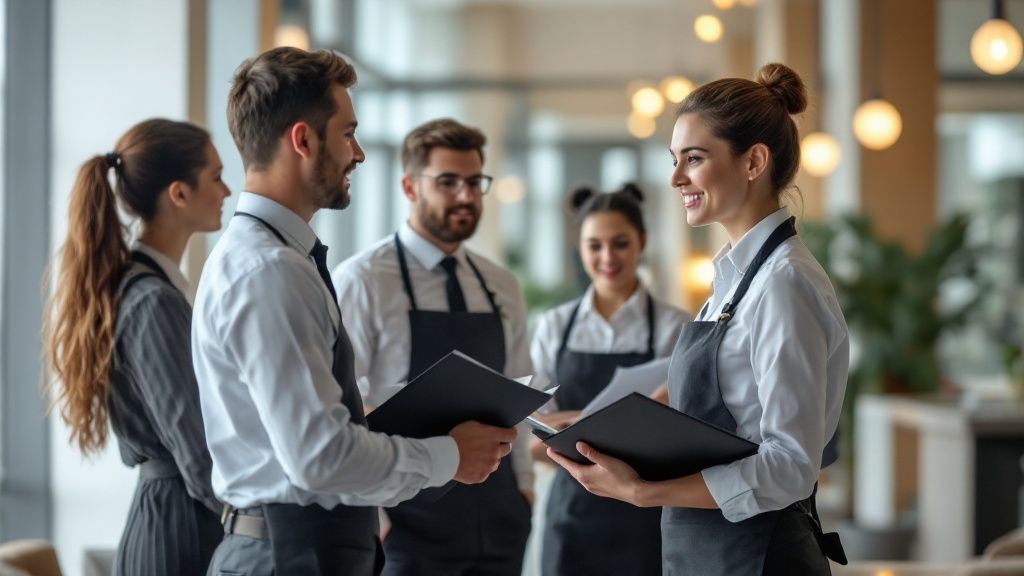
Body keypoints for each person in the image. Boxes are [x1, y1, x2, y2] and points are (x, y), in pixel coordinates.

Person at [192, 47, 516, 576]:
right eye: (347, 132)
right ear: (303, 139)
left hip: (305, 546)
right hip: (292, 554)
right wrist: (451, 456)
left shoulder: (274, 260)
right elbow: (321, 457)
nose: (359, 153)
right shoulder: (271, 271)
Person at [546, 62, 849, 575]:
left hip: (758, 555)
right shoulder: (734, 281)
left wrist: (646, 492)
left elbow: (792, 465)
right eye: (674, 159)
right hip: (706, 551)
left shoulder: (784, 285)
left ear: (753, 161)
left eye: (694, 158)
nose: (675, 178)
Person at [332, 118, 533, 576]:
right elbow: (346, 406)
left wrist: (524, 492)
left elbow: (519, 390)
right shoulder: (363, 280)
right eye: (447, 182)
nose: (465, 196)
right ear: (409, 186)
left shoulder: (500, 284)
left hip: (500, 520)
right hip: (407, 522)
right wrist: (376, 517)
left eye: (474, 182)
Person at [43, 118, 230, 576]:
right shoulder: (152, 301)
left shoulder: (157, 290)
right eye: (216, 176)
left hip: (178, 518)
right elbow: (198, 453)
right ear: (179, 194)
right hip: (181, 532)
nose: (227, 191)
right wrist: (266, 530)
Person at [528, 183, 690, 576]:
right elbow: (532, 441)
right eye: (594, 245)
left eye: (620, 243)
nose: (607, 257)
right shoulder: (553, 326)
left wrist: (574, 424)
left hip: (647, 515)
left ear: (642, 241)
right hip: (571, 518)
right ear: (579, 247)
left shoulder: (675, 327)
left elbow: (683, 431)